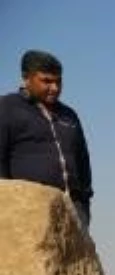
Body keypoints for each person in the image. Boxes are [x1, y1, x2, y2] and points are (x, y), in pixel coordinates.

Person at [0, 50, 93, 229]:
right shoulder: (7, 107)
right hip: (28, 210)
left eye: (58, 81)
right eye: (47, 81)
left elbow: (83, 162)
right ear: (26, 79)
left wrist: (84, 205)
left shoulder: (69, 115)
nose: (55, 88)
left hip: (73, 210)